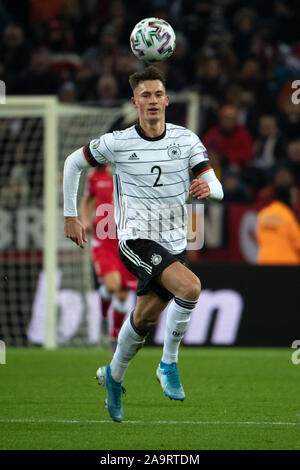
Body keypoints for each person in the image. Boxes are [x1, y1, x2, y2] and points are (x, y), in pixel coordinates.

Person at [63, 66, 223, 422]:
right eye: (145, 96)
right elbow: (73, 162)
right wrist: (70, 215)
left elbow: (217, 186)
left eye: (157, 95)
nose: (152, 101)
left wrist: (207, 189)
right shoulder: (117, 142)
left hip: (174, 243)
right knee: (191, 287)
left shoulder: (186, 140)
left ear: (167, 100)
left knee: (144, 319)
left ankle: (113, 377)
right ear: (135, 101)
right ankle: (168, 364)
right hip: (135, 239)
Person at [80, 163, 137, 352]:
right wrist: (85, 219)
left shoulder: (133, 172)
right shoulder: (96, 176)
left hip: (126, 242)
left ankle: (114, 335)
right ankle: (104, 315)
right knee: (113, 285)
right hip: (104, 240)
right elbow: (87, 199)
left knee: (122, 293)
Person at [256, 185, 300, 265]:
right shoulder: (287, 215)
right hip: (287, 265)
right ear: (288, 198)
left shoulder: (263, 214)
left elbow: (259, 238)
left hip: (265, 262)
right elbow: (298, 242)